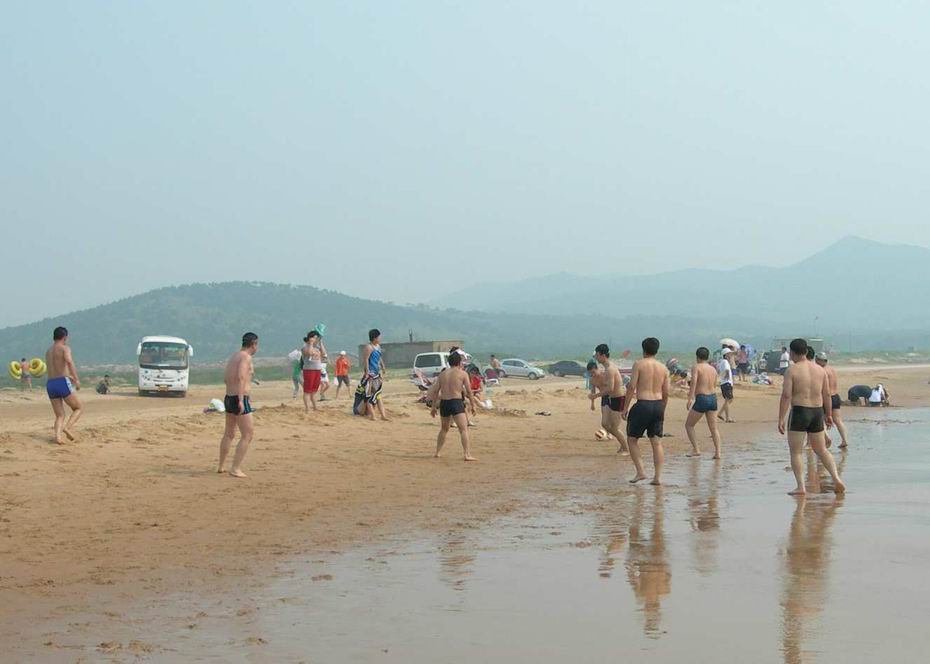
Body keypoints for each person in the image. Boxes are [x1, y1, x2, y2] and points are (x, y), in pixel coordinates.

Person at [777, 338, 845, 496]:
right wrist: (828, 414)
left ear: (792, 353)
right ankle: (836, 478)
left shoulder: (792, 370)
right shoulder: (820, 370)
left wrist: (781, 418)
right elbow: (826, 394)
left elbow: (786, 395)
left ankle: (801, 487)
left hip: (800, 412)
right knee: (821, 449)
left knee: (796, 452)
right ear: (806, 351)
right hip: (816, 412)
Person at [623, 337, 669, 485]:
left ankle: (641, 471)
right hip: (658, 405)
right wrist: (663, 408)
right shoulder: (663, 368)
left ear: (643, 349)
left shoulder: (639, 364)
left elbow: (631, 387)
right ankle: (658, 477)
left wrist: (625, 408)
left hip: (643, 404)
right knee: (656, 442)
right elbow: (666, 392)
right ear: (657, 350)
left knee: (632, 439)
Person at [218, 332, 259, 478]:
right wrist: (241, 399)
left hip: (229, 396)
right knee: (247, 434)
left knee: (229, 433)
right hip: (238, 398)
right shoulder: (245, 357)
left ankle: (221, 466)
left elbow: (226, 378)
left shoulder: (234, 356)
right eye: (257, 345)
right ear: (253, 344)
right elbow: (240, 377)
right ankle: (235, 468)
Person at [428, 351, 478, 461]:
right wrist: (473, 405)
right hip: (456, 402)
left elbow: (436, 391)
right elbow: (469, 391)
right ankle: (467, 454)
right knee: (463, 429)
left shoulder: (443, 374)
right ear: (459, 362)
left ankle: (437, 452)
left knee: (444, 429)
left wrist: (433, 407)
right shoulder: (462, 373)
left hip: (444, 402)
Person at [588, 344, 629, 454]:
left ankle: (626, 448)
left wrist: (595, 396)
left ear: (602, 355)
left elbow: (610, 389)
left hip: (618, 398)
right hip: (610, 398)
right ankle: (623, 445)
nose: (596, 357)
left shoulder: (610, 369)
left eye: (597, 355)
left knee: (614, 427)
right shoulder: (606, 368)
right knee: (605, 424)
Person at [45, 326, 82, 445]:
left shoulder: (48, 351)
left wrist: (67, 376)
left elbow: (55, 368)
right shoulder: (65, 348)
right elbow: (69, 362)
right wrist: (76, 379)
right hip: (62, 382)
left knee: (59, 415)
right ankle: (67, 428)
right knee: (78, 408)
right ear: (65, 337)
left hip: (51, 383)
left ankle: (57, 437)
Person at [685, 347, 722, 458]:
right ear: (707, 357)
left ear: (697, 357)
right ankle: (718, 452)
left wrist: (690, 398)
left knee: (689, 425)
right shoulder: (713, 369)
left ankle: (696, 449)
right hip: (713, 398)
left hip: (702, 398)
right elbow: (714, 384)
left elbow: (694, 382)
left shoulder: (696, 367)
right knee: (714, 428)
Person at [815, 352, 849, 448]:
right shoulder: (832, 369)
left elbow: (821, 387)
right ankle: (844, 440)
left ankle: (827, 438)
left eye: (816, 360)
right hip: (835, 396)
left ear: (820, 360)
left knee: (819, 420)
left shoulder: (822, 371)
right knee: (838, 420)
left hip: (826, 397)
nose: (815, 362)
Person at [361, 328, 389, 421]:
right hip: (371, 374)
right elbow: (366, 359)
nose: (380, 339)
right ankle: (372, 415)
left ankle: (383, 415)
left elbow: (379, 358)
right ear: (374, 338)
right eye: (379, 337)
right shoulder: (369, 347)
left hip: (377, 373)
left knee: (378, 395)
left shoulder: (378, 347)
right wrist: (367, 372)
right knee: (369, 395)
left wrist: (383, 366)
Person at [301, 330, 327, 413]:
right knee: (307, 391)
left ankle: (315, 407)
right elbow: (309, 353)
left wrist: (321, 342)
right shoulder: (305, 347)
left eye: (317, 338)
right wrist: (311, 343)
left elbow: (324, 354)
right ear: (310, 338)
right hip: (309, 370)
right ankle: (307, 409)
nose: (316, 340)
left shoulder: (317, 348)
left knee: (314, 391)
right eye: (314, 338)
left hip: (317, 370)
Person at [717, 349, 735, 423]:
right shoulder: (725, 362)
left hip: (724, 383)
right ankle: (727, 418)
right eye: (729, 354)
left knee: (730, 399)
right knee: (728, 400)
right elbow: (727, 370)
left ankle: (720, 413)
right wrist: (727, 378)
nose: (730, 355)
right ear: (726, 354)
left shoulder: (722, 362)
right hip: (726, 383)